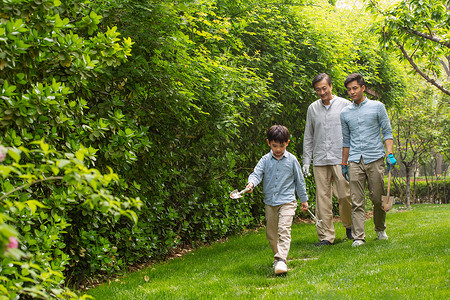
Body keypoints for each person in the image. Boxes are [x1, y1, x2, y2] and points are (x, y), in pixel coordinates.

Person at [340, 73, 397, 247]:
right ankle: (359, 237)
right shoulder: (345, 113)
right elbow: (346, 141)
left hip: (375, 158)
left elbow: (387, 132)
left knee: (377, 197)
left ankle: (380, 228)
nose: (352, 92)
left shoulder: (378, 107)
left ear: (363, 88)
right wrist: (344, 164)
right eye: (349, 89)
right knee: (357, 200)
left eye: (355, 88)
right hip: (355, 160)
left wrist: (389, 153)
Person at [245, 125, 309, 274]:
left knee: (284, 230)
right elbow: (256, 173)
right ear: (269, 143)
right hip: (270, 202)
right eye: (275, 146)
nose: (278, 149)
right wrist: (251, 183)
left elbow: (299, 181)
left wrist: (303, 200)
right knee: (271, 233)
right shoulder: (265, 160)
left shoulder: (292, 160)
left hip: (287, 201)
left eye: (282, 145)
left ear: (287, 143)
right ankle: (277, 257)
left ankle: (281, 259)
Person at [303, 73, 353, 246]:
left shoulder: (345, 105)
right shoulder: (312, 109)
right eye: (318, 90)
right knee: (322, 198)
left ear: (331, 86)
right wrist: (306, 161)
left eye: (324, 88)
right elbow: (308, 136)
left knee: (345, 195)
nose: (322, 92)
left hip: (341, 158)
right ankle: (326, 236)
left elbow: (352, 132)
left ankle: (350, 226)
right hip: (320, 159)